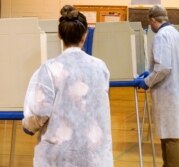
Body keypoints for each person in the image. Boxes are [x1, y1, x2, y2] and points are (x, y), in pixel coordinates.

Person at [22, 5, 114, 167]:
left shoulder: (50, 69)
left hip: (59, 157)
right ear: (85, 35)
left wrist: (28, 126)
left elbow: (39, 113)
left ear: (59, 35)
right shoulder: (101, 67)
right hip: (95, 155)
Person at [136, 5, 179, 167]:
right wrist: (150, 71)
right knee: (168, 135)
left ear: (153, 20)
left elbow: (164, 67)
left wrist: (146, 81)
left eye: (149, 22)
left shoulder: (161, 36)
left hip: (168, 94)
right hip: (178, 91)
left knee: (170, 137)